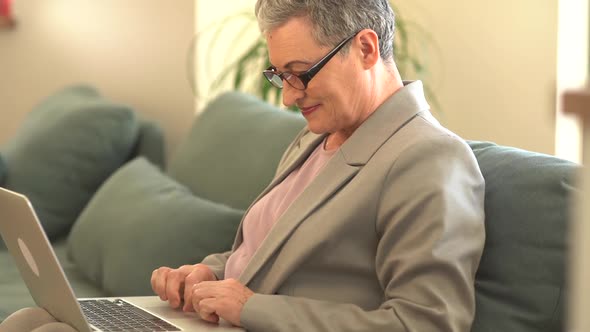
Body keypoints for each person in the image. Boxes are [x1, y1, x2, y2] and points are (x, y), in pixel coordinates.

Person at [0, 0, 485, 331]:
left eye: (301, 74)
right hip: (221, 321)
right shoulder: (317, 137)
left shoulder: (428, 158)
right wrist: (209, 274)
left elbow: (427, 322)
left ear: (365, 48)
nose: (291, 96)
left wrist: (254, 309)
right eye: (280, 75)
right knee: (28, 319)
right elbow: (271, 248)